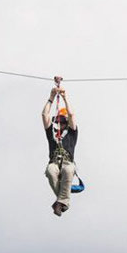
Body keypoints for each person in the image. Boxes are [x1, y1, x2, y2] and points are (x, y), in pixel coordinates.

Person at [42, 86, 78, 217]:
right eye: (59, 121)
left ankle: (60, 201)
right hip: (54, 162)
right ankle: (63, 201)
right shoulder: (52, 134)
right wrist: (51, 97)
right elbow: (44, 115)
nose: (60, 124)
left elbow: (72, 115)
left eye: (63, 121)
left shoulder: (71, 133)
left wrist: (64, 97)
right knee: (51, 171)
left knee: (68, 170)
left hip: (68, 162)